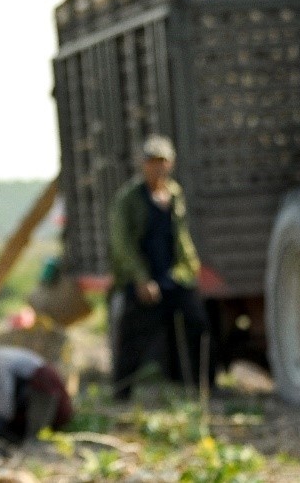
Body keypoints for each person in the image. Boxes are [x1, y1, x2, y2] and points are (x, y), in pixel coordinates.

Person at [107, 135, 210, 401]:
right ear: (143, 165)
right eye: (152, 162)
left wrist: (191, 266)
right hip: (141, 278)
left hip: (171, 275)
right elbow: (122, 244)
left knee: (197, 323)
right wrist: (142, 279)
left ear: (171, 164)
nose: (158, 167)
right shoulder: (128, 199)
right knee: (135, 336)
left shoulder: (174, 194)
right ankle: (121, 392)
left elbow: (180, 235)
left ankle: (200, 386)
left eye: (162, 161)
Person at [0, 345, 74, 454]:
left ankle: (33, 443)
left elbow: (3, 412)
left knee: (31, 442)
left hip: (43, 394)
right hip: (20, 403)